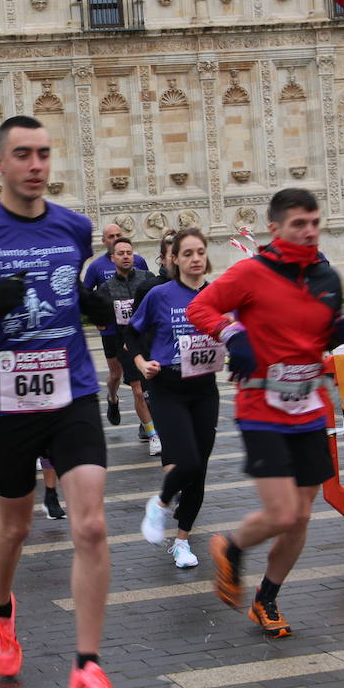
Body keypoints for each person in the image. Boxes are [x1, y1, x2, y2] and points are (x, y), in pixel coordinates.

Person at [0, 114, 126, 688]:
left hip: (72, 392)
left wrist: (95, 307)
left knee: (90, 525)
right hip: (5, 402)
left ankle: (88, 669)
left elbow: (76, 299)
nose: (36, 165)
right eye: (22, 155)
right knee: (13, 527)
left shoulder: (75, 227)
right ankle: (0, 608)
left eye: (43, 153)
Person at [187, 188, 344, 638]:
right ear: (275, 228)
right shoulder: (251, 273)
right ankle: (230, 544)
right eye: (299, 223)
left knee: (300, 518)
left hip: (310, 409)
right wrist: (232, 333)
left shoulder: (326, 278)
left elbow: (319, 336)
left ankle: (266, 598)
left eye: (315, 222)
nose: (310, 231)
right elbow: (199, 307)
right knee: (281, 514)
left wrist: (335, 332)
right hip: (262, 407)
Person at [130, 229, 221, 569]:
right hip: (168, 387)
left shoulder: (217, 295)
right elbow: (132, 334)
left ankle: (182, 541)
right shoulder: (159, 295)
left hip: (204, 389)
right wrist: (141, 363)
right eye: (188, 254)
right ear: (174, 259)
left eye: (200, 252)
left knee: (200, 471)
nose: (195, 259)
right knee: (188, 461)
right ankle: (161, 502)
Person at [83, 223, 155, 443]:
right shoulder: (97, 270)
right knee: (117, 375)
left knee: (146, 386)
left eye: (128, 252)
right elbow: (87, 297)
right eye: (111, 237)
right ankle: (113, 397)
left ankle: (148, 426)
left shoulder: (143, 271)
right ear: (105, 244)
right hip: (115, 336)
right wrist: (99, 320)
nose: (125, 256)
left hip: (144, 338)